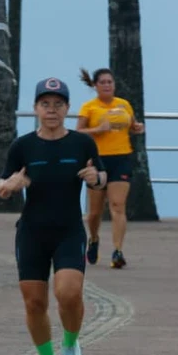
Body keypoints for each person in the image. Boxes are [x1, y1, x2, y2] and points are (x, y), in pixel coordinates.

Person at [0, 77, 107, 355]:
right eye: (45, 104)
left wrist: (95, 178)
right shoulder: (23, 146)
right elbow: (2, 185)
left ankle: (70, 346)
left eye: (58, 105)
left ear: (67, 108)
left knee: (68, 294)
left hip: (68, 230)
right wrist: (10, 186)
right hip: (32, 232)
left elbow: (101, 176)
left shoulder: (82, 143)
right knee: (34, 303)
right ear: (35, 108)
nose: (51, 110)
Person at [75, 68, 145, 269]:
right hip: (97, 160)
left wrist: (137, 128)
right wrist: (97, 130)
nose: (107, 85)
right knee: (95, 212)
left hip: (121, 158)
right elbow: (77, 132)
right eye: (103, 82)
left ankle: (117, 251)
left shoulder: (123, 105)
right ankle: (94, 239)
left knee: (117, 205)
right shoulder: (89, 107)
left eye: (110, 82)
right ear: (95, 85)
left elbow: (132, 125)